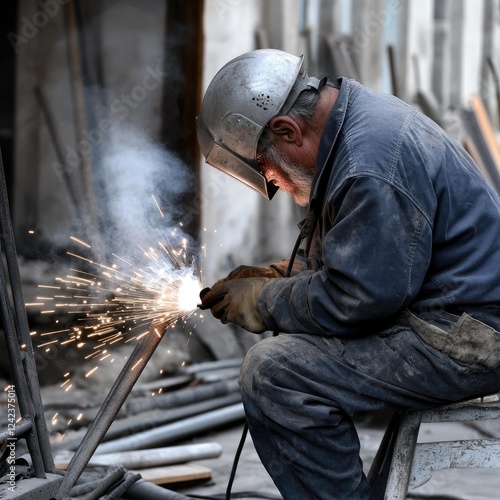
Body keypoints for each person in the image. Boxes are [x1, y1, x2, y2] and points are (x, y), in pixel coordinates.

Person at [196, 48, 500, 499]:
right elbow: (365, 257)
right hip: (440, 310)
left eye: (266, 167)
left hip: (467, 336)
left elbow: (359, 298)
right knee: (285, 362)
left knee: (276, 372)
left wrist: (264, 300)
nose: (274, 181)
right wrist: (279, 274)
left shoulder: (368, 166)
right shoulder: (352, 123)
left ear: (286, 129)